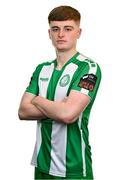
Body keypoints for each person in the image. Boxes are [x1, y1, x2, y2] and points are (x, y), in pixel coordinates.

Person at [18, 5, 101, 180]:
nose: (61, 34)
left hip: (74, 167)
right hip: (42, 163)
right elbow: (23, 111)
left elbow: (68, 115)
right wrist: (58, 106)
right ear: (50, 33)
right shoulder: (42, 69)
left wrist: (38, 100)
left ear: (78, 32)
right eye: (55, 29)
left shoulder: (88, 68)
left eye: (68, 29)